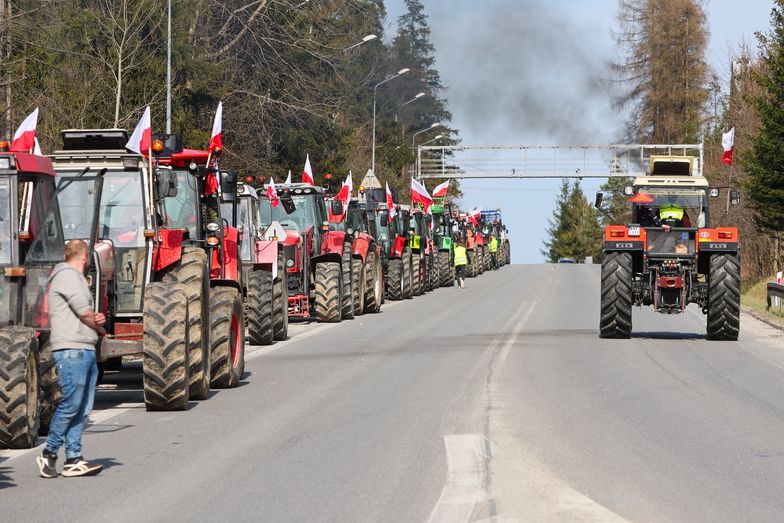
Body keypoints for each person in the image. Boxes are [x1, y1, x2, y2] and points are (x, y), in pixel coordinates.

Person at [37, 239, 106, 478]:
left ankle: (74, 458)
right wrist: (97, 324)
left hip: (83, 347)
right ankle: (49, 453)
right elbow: (83, 312)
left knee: (81, 407)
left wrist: (94, 320)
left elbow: (83, 313)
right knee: (71, 404)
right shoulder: (67, 275)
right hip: (72, 349)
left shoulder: (72, 278)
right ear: (85, 257)